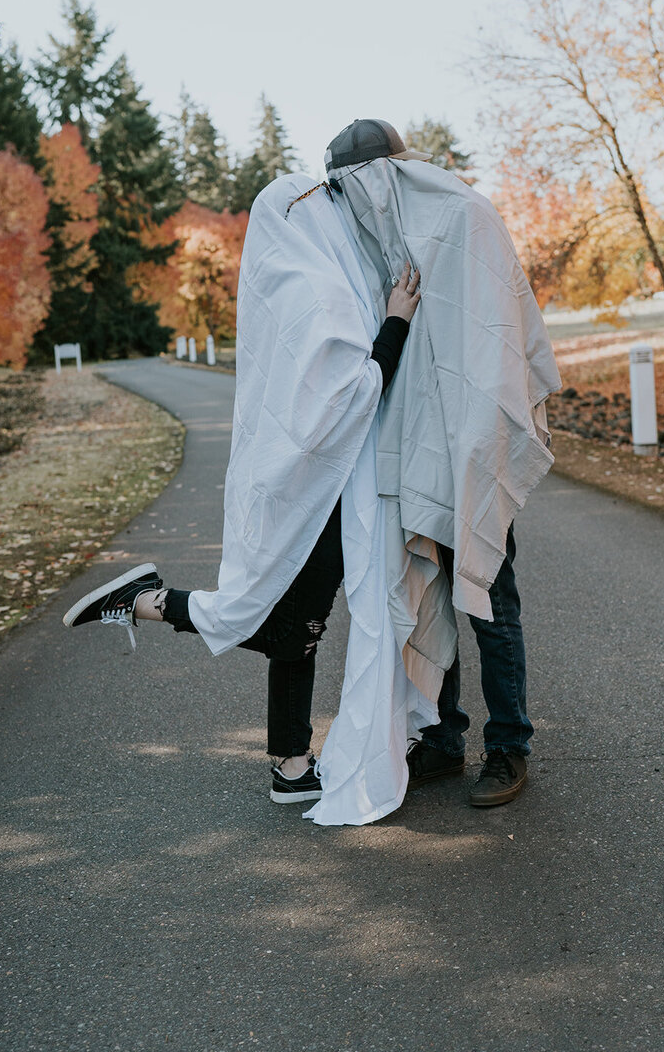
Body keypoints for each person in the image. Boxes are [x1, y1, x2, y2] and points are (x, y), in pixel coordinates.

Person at [63, 174, 422, 808]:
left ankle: (289, 766)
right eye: (327, 205)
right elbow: (354, 389)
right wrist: (395, 321)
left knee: (293, 622)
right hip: (319, 480)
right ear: (304, 217)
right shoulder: (315, 289)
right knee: (293, 622)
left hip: (291, 472)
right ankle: (152, 602)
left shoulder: (282, 280)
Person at [324, 119, 562, 807]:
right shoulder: (366, 239)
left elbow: (494, 330)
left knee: (489, 594)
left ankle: (509, 748)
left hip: (469, 437)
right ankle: (442, 738)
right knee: (423, 582)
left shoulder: (465, 217)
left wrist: (480, 441)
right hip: (410, 438)